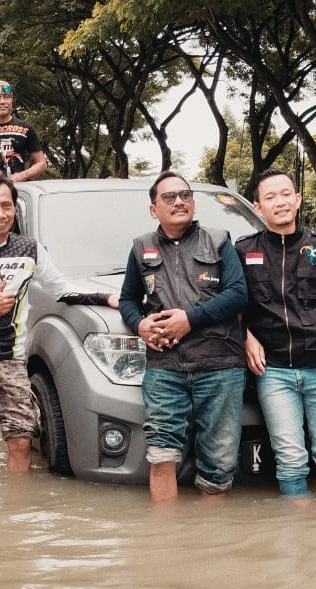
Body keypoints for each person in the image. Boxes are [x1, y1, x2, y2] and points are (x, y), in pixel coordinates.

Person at [0, 175, 114, 473]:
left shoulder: (30, 249)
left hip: (12, 359)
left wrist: (106, 298)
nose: (0, 214)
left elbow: (62, 290)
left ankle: (16, 512)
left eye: (7, 205)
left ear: (15, 209)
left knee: (21, 439)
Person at [118, 171, 248, 501]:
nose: (179, 201)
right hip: (164, 367)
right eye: (169, 197)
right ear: (153, 209)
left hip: (220, 365)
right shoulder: (140, 248)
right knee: (161, 456)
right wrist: (140, 326)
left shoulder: (219, 240)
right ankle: (166, 542)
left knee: (218, 466)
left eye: (185, 195)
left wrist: (189, 320)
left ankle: (206, 545)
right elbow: (128, 300)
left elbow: (238, 294)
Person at [237, 168, 316, 498]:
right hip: (273, 372)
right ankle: (296, 538)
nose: (280, 202)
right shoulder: (243, 252)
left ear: (298, 199)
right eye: (270, 197)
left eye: (286, 194)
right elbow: (233, 307)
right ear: (258, 207)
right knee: (290, 460)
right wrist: (247, 337)